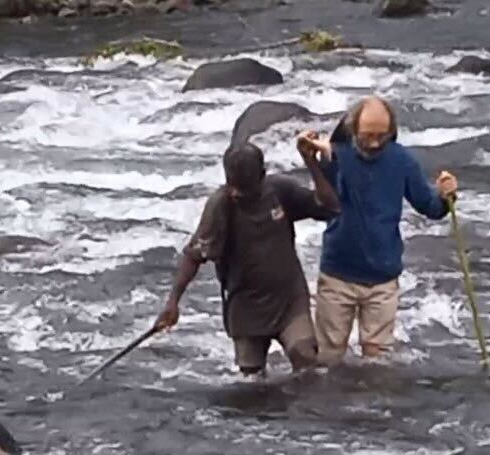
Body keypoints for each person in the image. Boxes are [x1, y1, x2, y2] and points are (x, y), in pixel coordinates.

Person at [152, 134, 339, 376]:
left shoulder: (280, 191)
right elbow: (193, 256)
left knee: (305, 359)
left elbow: (330, 207)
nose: (237, 194)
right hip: (245, 307)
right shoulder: (220, 206)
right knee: (251, 381)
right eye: (232, 186)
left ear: (263, 175)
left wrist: (312, 163)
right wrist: (173, 302)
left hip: (289, 299)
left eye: (245, 189)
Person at [298, 95, 459, 365]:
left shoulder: (402, 161)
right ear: (353, 130)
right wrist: (312, 160)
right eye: (367, 135)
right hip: (338, 275)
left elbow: (430, 208)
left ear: (392, 132)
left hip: (382, 279)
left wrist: (446, 196)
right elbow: (324, 202)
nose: (374, 142)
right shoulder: (335, 154)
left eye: (381, 135)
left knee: (379, 362)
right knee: (327, 358)